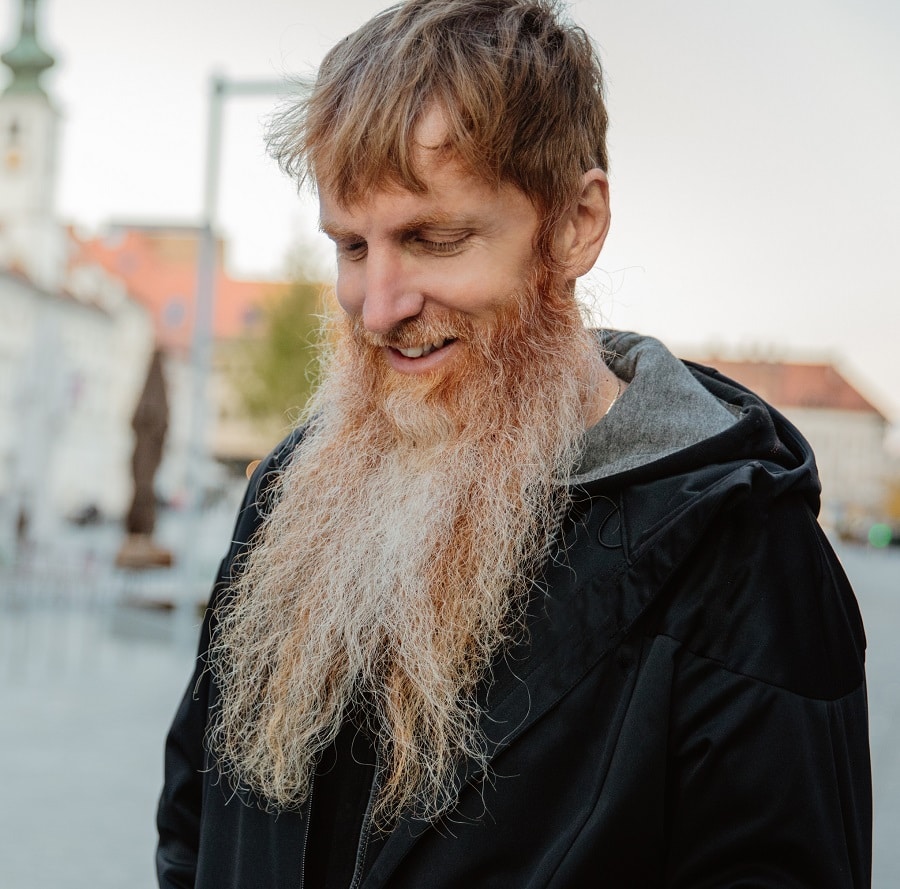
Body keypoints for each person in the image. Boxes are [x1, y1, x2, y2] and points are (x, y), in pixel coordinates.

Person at [156, 1, 871, 886]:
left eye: (434, 238)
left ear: (575, 224)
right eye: (350, 245)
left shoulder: (746, 566)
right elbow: (195, 823)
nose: (376, 308)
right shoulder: (292, 492)